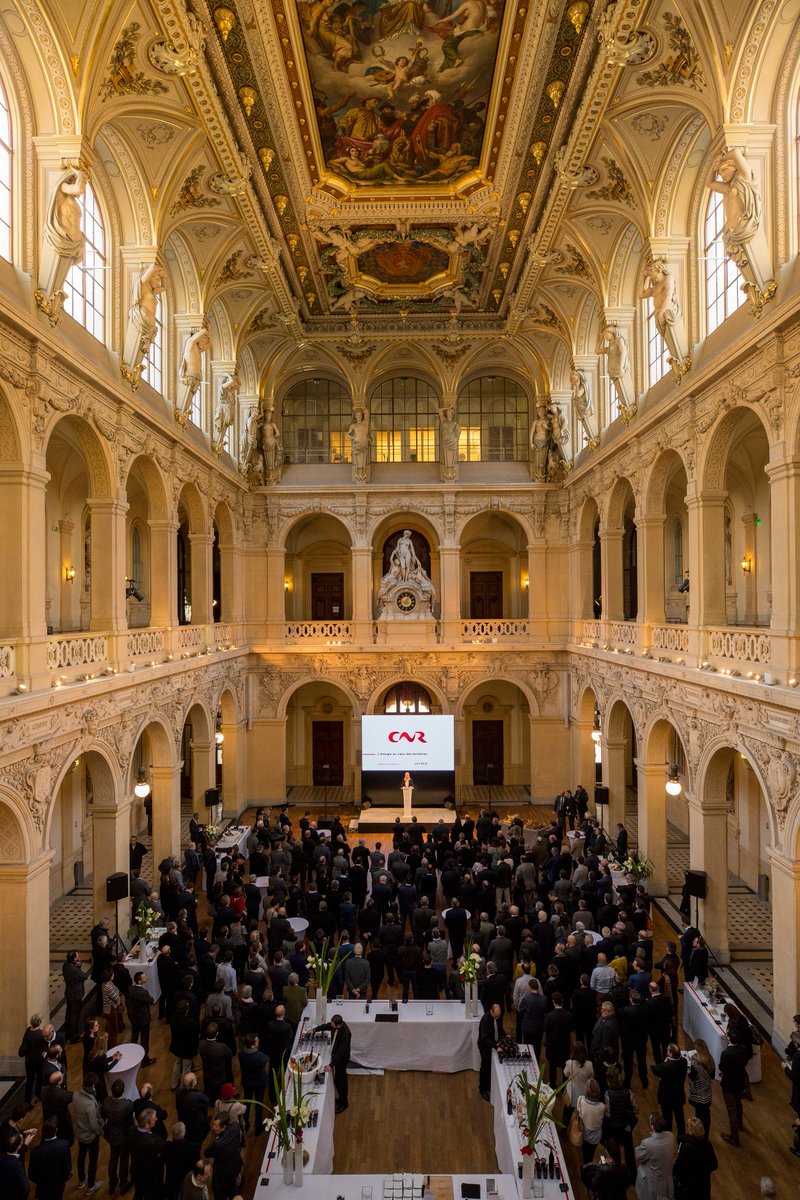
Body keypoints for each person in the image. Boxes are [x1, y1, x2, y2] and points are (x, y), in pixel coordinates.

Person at [72, 1072, 105, 1194]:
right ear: (92, 1086)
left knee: (81, 1156)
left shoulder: (75, 1095)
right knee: (93, 1160)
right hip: (90, 1136)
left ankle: (81, 1180)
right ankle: (91, 1186)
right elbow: (94, 1124)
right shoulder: (90, 1103)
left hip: (80, 1132)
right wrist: (100, 1131)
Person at [672, 1116, 717, 1200]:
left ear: (690, 1131)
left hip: (689, 1187)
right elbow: (714, 1165)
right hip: (704, 1185)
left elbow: (678, 1168)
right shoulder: (707, 1144)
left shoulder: (686, 1147)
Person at [314, 1013, 352, 1112]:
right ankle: (342, 1097)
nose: (331, 1026)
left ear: (338, 1025)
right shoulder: (335, 1026)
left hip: (342, 1059)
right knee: (340, 1079)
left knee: (340, 1080)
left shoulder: (345, 1033)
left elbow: (341, 1052)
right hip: (337, 1056)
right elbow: (326, 1026)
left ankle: (344, 1103)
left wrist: (331, 1065)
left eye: (333, 1025)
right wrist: (314, 1030)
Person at [27, 1116, 72, 1200]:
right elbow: (67, 1168)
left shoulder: (36, 1151)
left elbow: (32, 1175)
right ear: (56, 1130)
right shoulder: (64, 1145)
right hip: (59, 1185)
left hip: (43, 1187)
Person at [102, 1077, 134, 1196]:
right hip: (124, 1136)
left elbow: (104, 1115)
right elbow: (132, 1119)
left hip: (111, 1135)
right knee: (124, 1160)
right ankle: (123, 1183)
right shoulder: (128, 1104)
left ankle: (112, 1184)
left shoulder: (106, 1102)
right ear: (123, 1091)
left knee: (113, 1159)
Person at [634, 1112, 674, 1200]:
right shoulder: (670, 1136)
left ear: (652, 1126)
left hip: (653, 1183)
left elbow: (638, 1156)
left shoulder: (647, 1144)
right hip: (667, 1181)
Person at [719, 1033, 750, 1147]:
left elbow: (722, 1067)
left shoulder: (726, 1053)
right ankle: (740, 1125)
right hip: (740, 1081)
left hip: (729, 1084)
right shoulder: (742, 1049)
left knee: (731, 1109)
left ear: (729, 1039)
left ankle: (734, 1136)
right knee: (738, 1103)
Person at [652, 1042, 687, 1136]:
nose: (666, 1050)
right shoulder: (684, 1062)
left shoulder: (666, 1066)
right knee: (680, 1119)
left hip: (666, 1097)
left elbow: (655, 1070)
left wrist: (666, 1061)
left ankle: (669, 1136)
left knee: (667, 1119)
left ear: (670, 1053)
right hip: (678, 1095)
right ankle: (681, 1136)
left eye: (667, 1049)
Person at [204, 1111, 242, 1200]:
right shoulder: (236, 1127)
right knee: (232, 1189)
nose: (213, 1128)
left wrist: (217, 1139)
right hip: (235, 1165)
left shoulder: (218, 1144)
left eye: (216, 1126)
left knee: (219, 1193)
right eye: (213, 1124)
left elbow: (206, 1153)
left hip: (222, 1173)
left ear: (224, 1127)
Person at [129, 1106, 165, 1200]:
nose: (156, 1119)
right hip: (148, 1176)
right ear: (147, 1125)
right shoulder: (154, 1142)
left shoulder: (131, 1131)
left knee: (138, 1193)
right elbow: (161, 1144)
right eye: (154, 1119)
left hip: (135, 1171)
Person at [128, 970, 157, 1064]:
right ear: (140, 981)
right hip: (143, 1019)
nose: (146, 978)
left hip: (134, 1017)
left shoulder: (131, 989)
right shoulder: (143, 992)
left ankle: (132, 1055)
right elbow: (151, 1000)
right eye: (144, 977)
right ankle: (145, 1059)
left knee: (134, 1036)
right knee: (144, 1040)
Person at [687, 1039, 715, 1137]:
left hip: (698, 1096)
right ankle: (706, 1134)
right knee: (706, 1115)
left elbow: (692, 1078)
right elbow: (712, 1076)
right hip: (707, 1094)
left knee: (699, 1117)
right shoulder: (710, 1060)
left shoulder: (695, 1065)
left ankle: (700, 1135)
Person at [477, 1001, 503, 1101]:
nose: (497, 1018)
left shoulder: (496, 1016)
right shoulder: (485, 1020)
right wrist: (496, 1047)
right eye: (496, 1016)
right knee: (485, 1067)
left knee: (491, 1067)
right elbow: (485, 1038)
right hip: (485, 1047)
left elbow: (499, 1028)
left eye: (498, 1016)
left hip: (492, 1044)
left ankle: (490, 1085)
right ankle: (483, 1089)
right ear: (492, 1012)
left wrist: (504, 1034)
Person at [576, 1078, 606, 1164]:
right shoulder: (602, 1106)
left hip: (583, 1133)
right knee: (590, 1154)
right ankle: (588, 1164)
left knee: (584, 1152)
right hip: (595, 1137)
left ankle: (585, 1166)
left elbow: (579, 1112)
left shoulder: (580, 1099)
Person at [62, 951, 90, 1043]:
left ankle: (67, 1034)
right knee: (75, 1017)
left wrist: (78, 965)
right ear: (74, 959)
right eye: (77, 956)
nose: (79, 957)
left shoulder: (65, 965)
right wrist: (79, 966)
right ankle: (73, 1037)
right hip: (76, 995)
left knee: (68, 1014)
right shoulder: (75, 970)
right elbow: (84, 976)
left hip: (69, 993)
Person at [0, 1130, 30, 1200]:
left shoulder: (1, 1157)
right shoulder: (17, 1164)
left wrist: (25, 1145)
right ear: (19, 1146)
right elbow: (25, 1188)